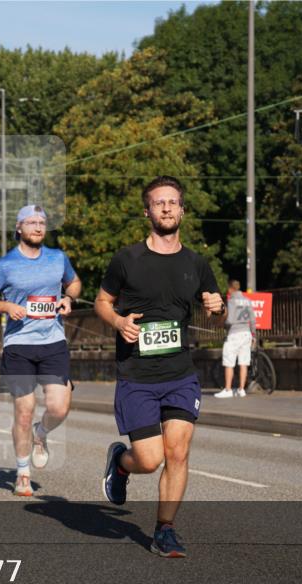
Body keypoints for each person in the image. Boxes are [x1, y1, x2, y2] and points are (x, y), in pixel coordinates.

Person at [95, 175, 225, 558]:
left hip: (180, 374)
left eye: (172, 202)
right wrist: (119, 322)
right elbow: (102, 301)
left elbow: (215, 313)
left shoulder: (196, 263)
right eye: (158, 202)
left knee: (179, 453)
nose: (166, 208)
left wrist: (217, 309)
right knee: (149, 460)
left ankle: (164, 530)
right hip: (137, 375)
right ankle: (121, 463)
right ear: (147, 211)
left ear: (182, 209)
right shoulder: (127, 259)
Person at [0, 204, 82, 497]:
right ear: (19, 228)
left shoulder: (58, 258)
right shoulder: (5, 265)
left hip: (53, 342)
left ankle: (41, 433)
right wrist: (6, 306)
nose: (37, 227)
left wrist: (69, 299)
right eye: (31, 222)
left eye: (42, 223)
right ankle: (22, 472)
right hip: (19, 345)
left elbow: (74, 283)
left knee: (59, 406)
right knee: (24, 410)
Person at [215, 278, 256, 398]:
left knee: (229, 362)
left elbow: (230, 320)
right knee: (244, 362)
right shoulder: (247, 301)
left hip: (234, 334)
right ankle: (241, 389)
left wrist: (223, 325)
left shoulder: (231, 300)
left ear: (231, 288)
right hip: (246, 333)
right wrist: (253, 334)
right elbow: (253, 320)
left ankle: (228, 389)